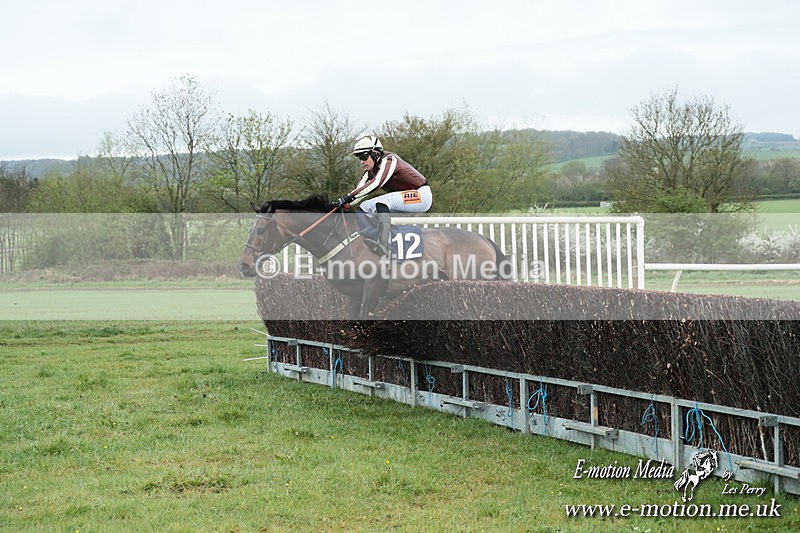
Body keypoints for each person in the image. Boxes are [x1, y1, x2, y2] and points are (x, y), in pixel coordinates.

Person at [334, 136, 432, 256]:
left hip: (421, 195)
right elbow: (358, 192)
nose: (362, 161)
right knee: (364, 206)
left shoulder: (390, 160)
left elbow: (376, 183)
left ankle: (383, 243)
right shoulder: (369, 171)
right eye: (360, 158)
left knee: (383, 202)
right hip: (404, 198)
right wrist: (344, 203)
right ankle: (372, 235)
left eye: (364, 157)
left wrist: (350, 196)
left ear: (375, 153)